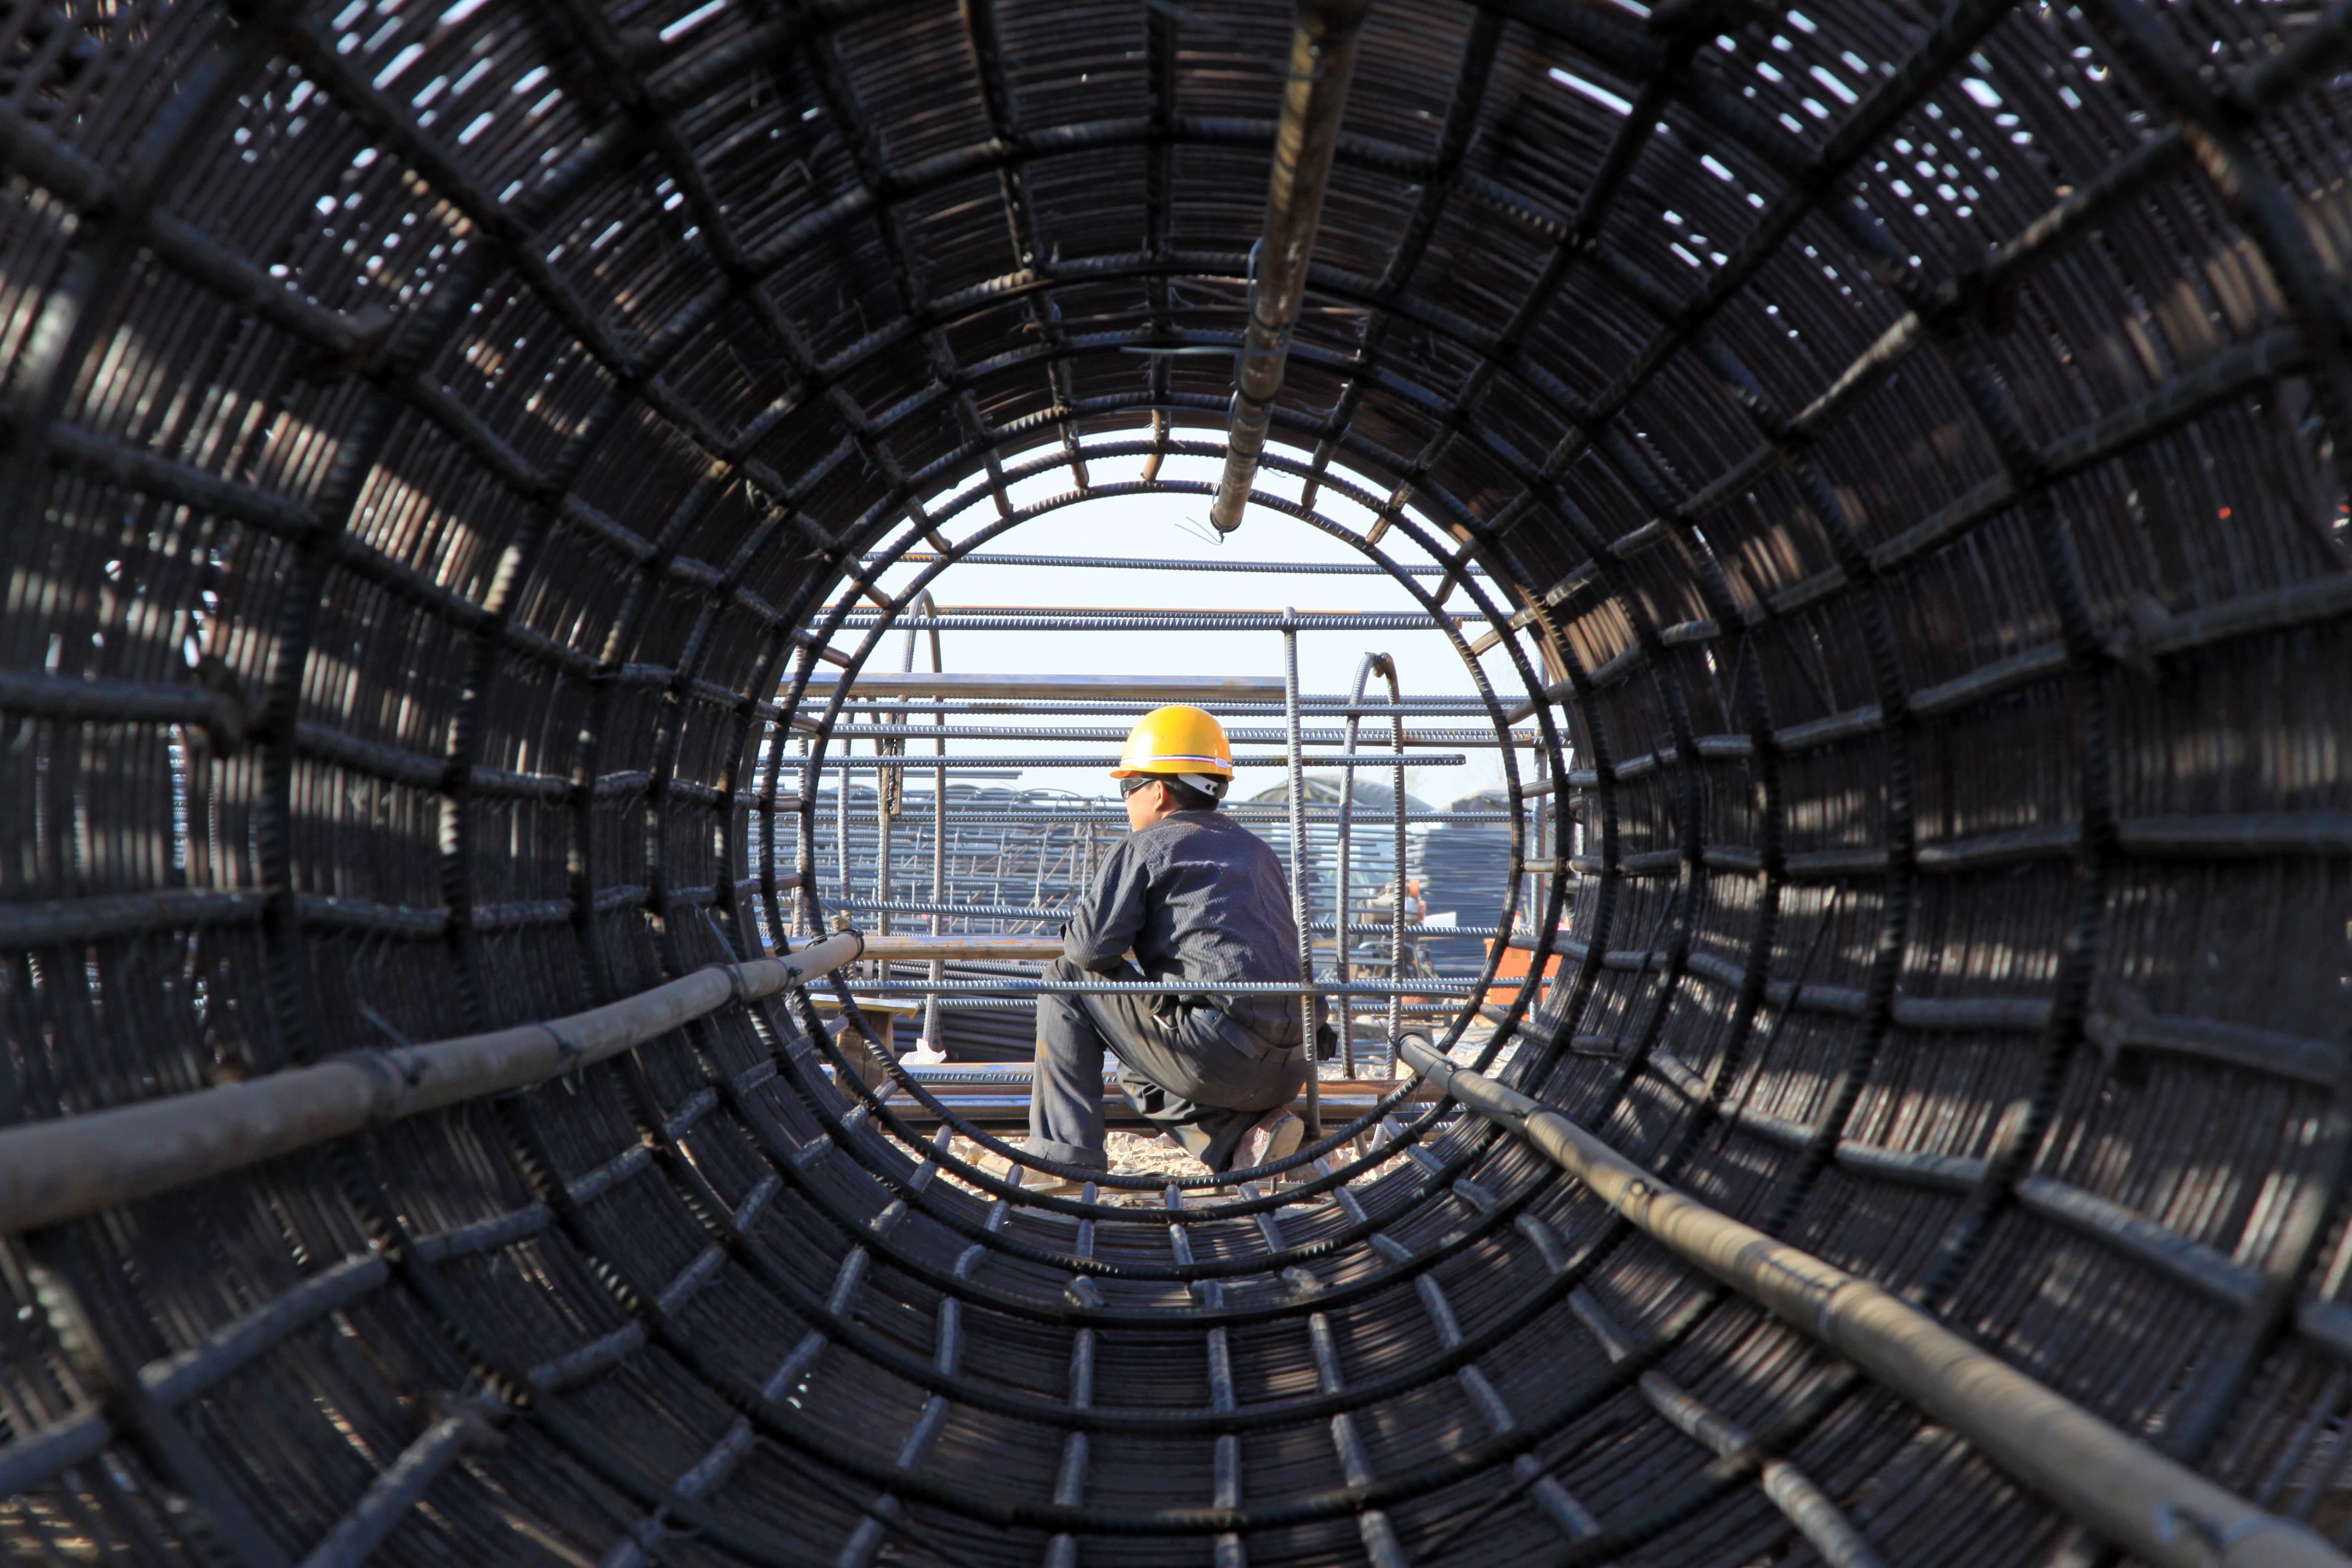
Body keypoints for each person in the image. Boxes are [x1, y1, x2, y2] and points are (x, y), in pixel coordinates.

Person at [1006, 705, 1310, 1193]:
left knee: (1064, 977)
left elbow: (1087, 952)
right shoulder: (1257, 850)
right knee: (1137, 1068)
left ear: (1158, 791)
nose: (1126, 803)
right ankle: (1246, 1142)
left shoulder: (1148, 845)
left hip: (1215, 1054)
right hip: (1294, 1064)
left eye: (1127, 788)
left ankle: (1061, 1161)